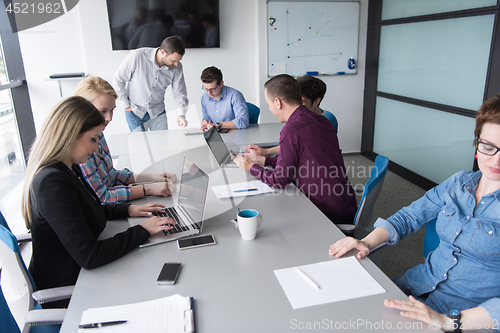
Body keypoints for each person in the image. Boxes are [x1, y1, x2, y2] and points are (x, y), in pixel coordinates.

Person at [329, 94, 500, 332]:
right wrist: (365, 241)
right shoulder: (459, 183)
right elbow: (410, 216)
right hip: (416, 288)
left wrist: (448, 321)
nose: (496, 159)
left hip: (465, 318)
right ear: (477, 144)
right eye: (489, 147)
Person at [21, 96, 176, 308]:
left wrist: (130, 210)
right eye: (93, 139)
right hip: (70, 288)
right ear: (71, 135)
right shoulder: (52, 183)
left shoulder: (67, 168)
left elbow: (90, 207)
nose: (96, 149)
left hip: (82, 275)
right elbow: (90, 256)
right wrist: (143, 230)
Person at [233, 74, 357, 223]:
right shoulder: (322, 120)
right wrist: (262, 160)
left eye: (268, 103)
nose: (270, 108)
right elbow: (297, 162)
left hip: (328, 210)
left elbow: (280, 180)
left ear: (278, 102)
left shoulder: (292, 129)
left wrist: (251, 167)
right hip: (345, 201)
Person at [75, 76, 177, 204]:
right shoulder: (80, 146)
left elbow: (110, 176)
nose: (109, 118)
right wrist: (149, 189)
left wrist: (153, 177)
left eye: (112, 110)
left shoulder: (98, 134)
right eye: (102, 111)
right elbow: (103, 197)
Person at [246, 75, 337, 157]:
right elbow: (291, 146)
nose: (295, 104)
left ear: (316, 101)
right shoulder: (301, 119)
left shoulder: (323, 122)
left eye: (301, 101)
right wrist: (266, 151)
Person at [114, 36, 189, 132]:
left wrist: (181, 114)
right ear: (163, 52)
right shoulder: (137, 56)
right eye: (173, 60)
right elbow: (118, 80)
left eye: (178, 61)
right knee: (140, 145)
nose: (176, 64)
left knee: (162, 144)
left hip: (158, 112)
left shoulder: (177, 68)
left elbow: (180, 93)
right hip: (135, 111)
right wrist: (125, 105)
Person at [199, 66, 249, 131]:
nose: (209, 92)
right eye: (206, 89)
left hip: (235, 135)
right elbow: (207, 119)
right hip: (215, 136)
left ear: (221, 83)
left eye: (212, 89)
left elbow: (243, 121)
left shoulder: (235, 95)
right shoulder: (204, 98)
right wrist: (205, 122)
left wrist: (218, 125)